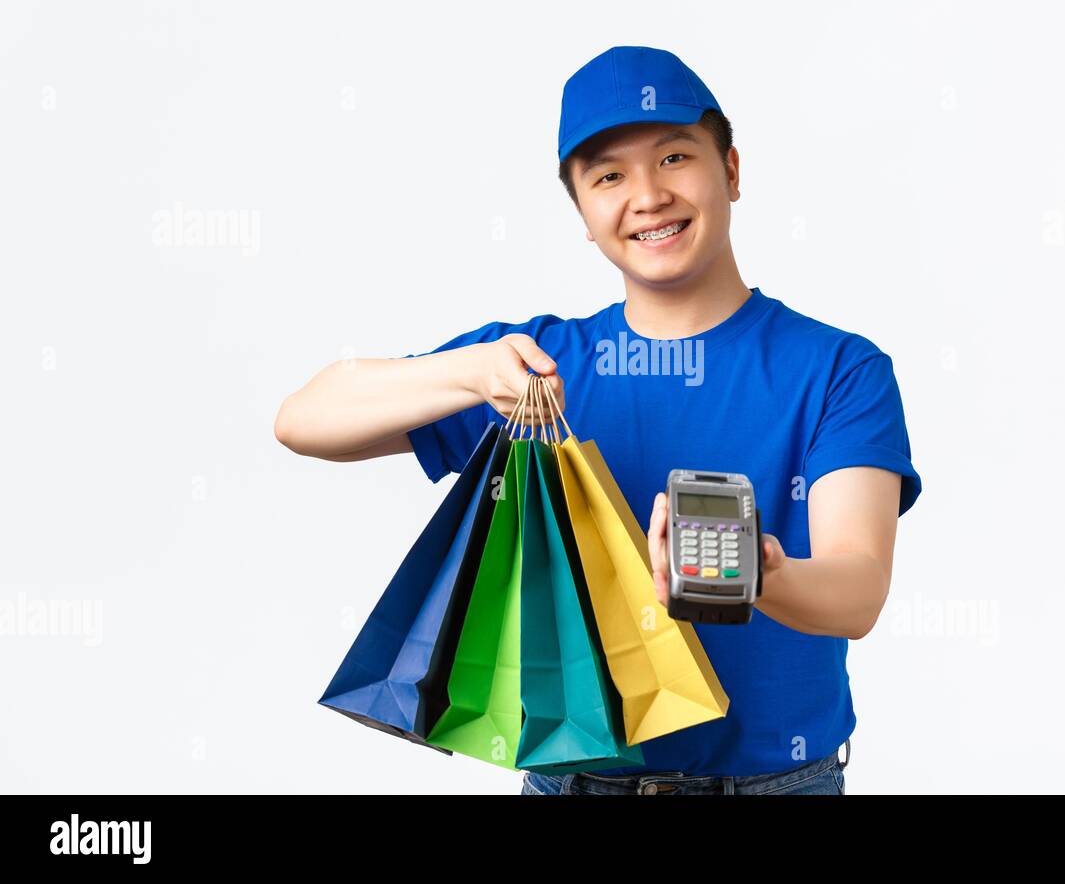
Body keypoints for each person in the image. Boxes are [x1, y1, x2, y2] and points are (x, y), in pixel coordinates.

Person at [275, 45, 921, 795]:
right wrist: (465, 371)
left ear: (733, 172)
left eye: (675, 156)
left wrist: (752, 573)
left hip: (779, 784)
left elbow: (857, 590)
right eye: (608, 175)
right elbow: (304, 419)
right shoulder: (537, 368)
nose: (647, 195)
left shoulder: (840, 369)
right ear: (583, 215)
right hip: (576, 783)